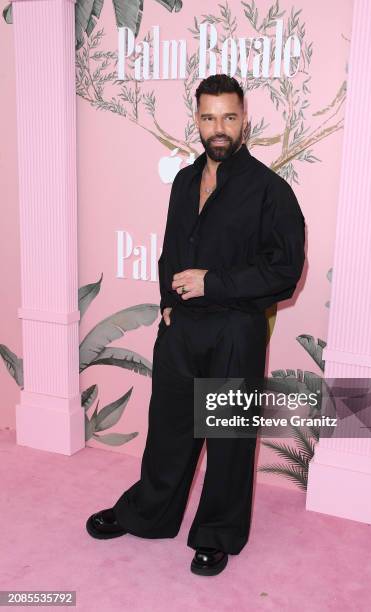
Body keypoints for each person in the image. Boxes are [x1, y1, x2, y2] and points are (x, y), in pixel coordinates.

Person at [86, 74, 306, 576]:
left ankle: (216, 533)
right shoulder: (186, 180)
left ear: (244, 119)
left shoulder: (271, 191)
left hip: (236, 330)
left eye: (229, 117)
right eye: (209, 118)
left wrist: (215, 284)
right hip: (182, 329)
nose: (219, 128)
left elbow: (285, 271)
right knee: (168, 432)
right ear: (198, 121)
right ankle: (148, 514)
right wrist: (168, 301)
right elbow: (172, 247)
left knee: (228, 441)